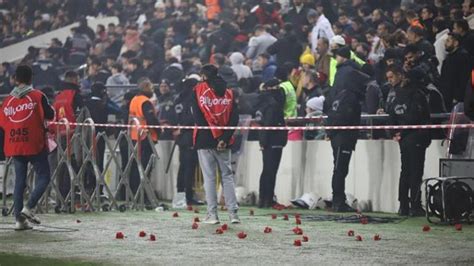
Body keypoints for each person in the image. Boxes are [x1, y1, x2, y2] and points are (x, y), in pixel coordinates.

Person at [0, 65, 55, 230]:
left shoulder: (7, 101)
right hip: (34, 143)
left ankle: (19, 221)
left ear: (15, 79)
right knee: (44, 176)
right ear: (31, 78)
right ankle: (29, 207)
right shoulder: (38, 96)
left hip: (14, 143)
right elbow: (50, 115)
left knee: (19, 182)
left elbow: (3, 123)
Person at [191, 64, 240, 224]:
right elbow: (234, 118)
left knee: (210, 178)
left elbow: (198, 118)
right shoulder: (229, 93)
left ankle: (212, 215)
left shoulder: (198, 90)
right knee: (227, 177)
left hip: (205, 140)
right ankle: (233, 214)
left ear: (204, 76)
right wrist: (224, 138)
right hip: (225, 142)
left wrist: (215, 137)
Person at [324, 47, 369, 212]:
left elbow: (328, 105)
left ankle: (338, 200)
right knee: (341, 168)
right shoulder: (350, 96)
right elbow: (370, 76)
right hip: (344, 133)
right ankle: (338, 201)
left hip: (337, 131)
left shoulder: (337, 88)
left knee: (339, 167)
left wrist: (329, 130)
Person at [388, 68, 431, 217]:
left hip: (404, 139)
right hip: (416, 137)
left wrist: (395, 133)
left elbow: (391, 115)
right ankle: (415, 205)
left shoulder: (397, 95)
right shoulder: (417, 95)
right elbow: (417, 117)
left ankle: (403, 206)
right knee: (415, 173)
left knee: (405, 171)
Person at [255, 79, 288, 208]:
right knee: (270, 171)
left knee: (267, 170)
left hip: (268, 139)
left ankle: (264, 198)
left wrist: (263, 141)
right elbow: (268, 124)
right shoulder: (273, 103)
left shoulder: (263, 102)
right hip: (274, 139)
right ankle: (267, 199)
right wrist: (264, 140)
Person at [128, 78, 160, 196]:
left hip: (134, 135)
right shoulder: (146, 102)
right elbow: (151, 119)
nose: (152, 90)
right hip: (146, 136)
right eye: (151, 88)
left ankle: (134, 194)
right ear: (146, 88)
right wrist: (159, 130)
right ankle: (144, 195)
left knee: (136, 166)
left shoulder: (134, 100)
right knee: (146, 167)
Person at [175, 75, 203, 206]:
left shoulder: (178, 100)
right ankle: (188, 196)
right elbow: (191, 119)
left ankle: (180, 194)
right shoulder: (191, 101)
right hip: (190, 136)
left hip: (181, 137)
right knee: (189, 168)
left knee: (183, 167)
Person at [440, 33, 472, 111]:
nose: (445, 43)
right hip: (448, 96)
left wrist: (457, 96)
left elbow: (464, 78)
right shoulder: (448, 58)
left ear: (456, 43)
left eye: (448, 41)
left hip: (458, 98)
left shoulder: (463, 57)